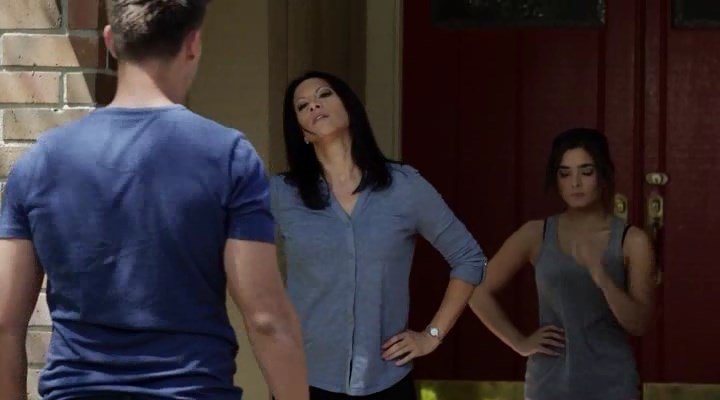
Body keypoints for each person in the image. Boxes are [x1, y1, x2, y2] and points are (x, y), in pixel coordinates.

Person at [0, 1, 308, 399]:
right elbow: (267, 320)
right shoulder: (228, 157)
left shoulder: (41, 162)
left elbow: (6, 323)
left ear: (111, 42)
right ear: (193, 44)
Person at [270, 70, 488, 399]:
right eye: (302, 106)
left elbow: (469, 258)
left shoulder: (405, 187)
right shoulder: (280, 194)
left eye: (324, 95)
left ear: (349, 107)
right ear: (302, 132)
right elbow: (231, 253)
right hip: (303, 380)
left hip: (386, 381)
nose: (314, 105)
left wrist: (432, 335)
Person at [469, 128, 656, 400]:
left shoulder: (631, 241)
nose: (575, 183)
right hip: (548, 385)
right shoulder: (535, 234)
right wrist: (520, 343)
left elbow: (639, 323)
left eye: (586, 172)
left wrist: (602, 277)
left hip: (613, 384)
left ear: (603, 174)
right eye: (565, 173)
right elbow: (476, 290)